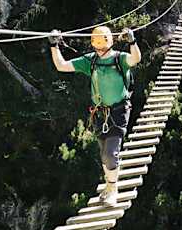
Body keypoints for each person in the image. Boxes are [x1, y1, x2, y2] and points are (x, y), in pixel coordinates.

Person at [49, 25, 141, 207]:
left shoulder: (120, 59)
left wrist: (132, 41)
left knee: (110, 154)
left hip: (119, 111)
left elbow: (136, 58)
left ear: (109, 44)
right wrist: (54, 46)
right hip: (100, 114)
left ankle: (113, 190)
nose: (99, 50)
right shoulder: (90, 61)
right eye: (96, 47)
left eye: (101, 47)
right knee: (104, 154)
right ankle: (109, 186)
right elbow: (61, 66)